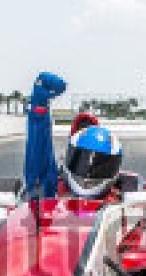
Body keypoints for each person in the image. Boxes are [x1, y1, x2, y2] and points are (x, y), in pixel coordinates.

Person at [21, 72, 124, 200]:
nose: (87, 175)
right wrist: (39, 109)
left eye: (99, 165)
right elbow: (37, 149)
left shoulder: (121, 202)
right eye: (81, 160)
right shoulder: (53, 188)